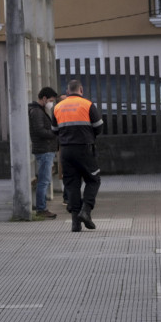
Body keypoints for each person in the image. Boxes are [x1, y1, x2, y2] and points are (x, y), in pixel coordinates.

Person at [52, 79, 103, 232]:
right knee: (93, 179)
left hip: (66, 150)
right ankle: (86, 211)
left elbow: (54, 130)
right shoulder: (87, 105)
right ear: (81, 90)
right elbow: (99, 127)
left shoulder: (58, 107)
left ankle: (75, 222)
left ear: (68, 92)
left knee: (72, 184)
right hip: (85, 148)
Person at [29, 86, 59, 219]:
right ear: (44, 98)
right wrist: (54, 132)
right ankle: (41, 208)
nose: (52, 103)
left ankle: (42, 207)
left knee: (44, 179)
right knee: (44, 180)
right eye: (51, 100)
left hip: (46, 149)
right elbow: (39, 131)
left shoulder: (39, 110)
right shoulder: (37, 112)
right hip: (44, 149)